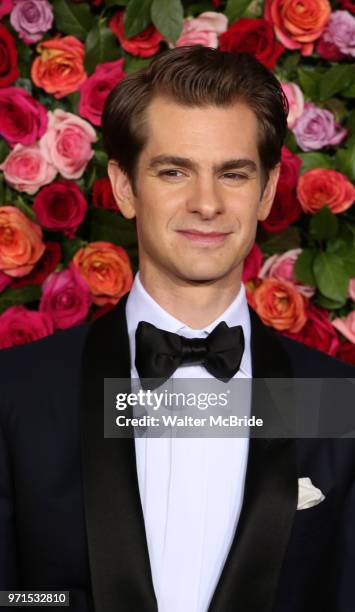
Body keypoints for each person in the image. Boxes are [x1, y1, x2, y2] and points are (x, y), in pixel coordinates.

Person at [0, 46, 354, 612]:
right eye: (174, 171)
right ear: (123, 186)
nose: (207, 203)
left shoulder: (338, 403)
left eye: (233, 174)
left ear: (266, 191)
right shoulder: (17, 394)